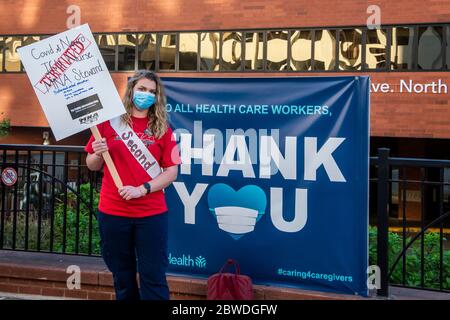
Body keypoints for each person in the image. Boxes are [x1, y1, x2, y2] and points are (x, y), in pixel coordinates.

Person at [85, 70, 181, 300]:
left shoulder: (164, 130)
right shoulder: (109, 124)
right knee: (122, 277)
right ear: (131, 91)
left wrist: (143, 189)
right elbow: (92, 165)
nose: (145, 95)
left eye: (151, 91)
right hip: (113, 212)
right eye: (141, 89)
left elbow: (172, 172)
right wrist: (98, 154)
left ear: (157, 97)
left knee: (154, 277)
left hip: (151, 214)